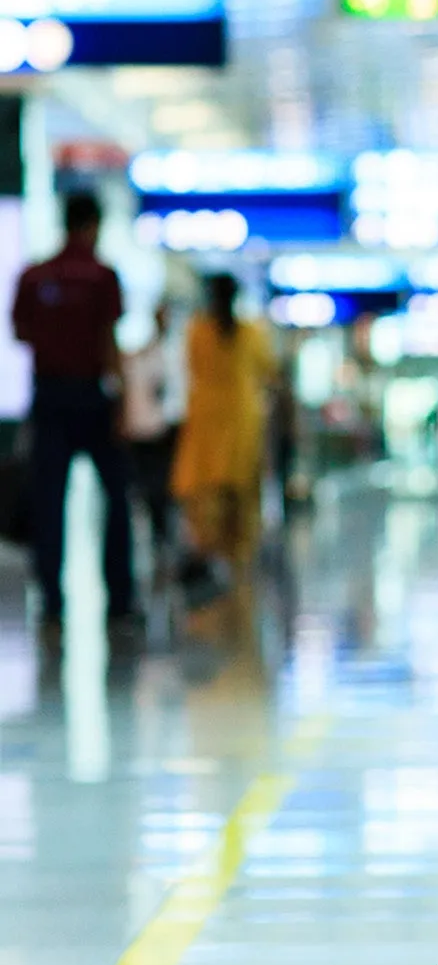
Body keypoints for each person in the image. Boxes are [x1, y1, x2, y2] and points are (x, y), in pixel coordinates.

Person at [9, 190, 138, 640]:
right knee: (116, 500)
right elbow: (109, 341)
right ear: (93, 225)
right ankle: (119, 601)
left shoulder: (33, 275)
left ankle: (51, 602)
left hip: (49, 397)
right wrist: (123, 404)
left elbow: (21, 332)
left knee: (51, 503)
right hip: (93, 397)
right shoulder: (103, 277)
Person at [170, 273, 276, 585]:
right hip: (242, 422)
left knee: (207, 497)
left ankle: (212, 560)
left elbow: (191, 368)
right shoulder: (251, 333)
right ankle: (238, 566)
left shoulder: (197, 331)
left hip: (207, 423)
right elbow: (268, 371)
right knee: (241, 498)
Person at [122, 298, 185, 576]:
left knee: (162, 488)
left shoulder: (173, 353)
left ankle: (164, 538)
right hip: (142, 432)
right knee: (146, 489)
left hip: (164, 431)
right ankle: (158, 537)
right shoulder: (141, 355)